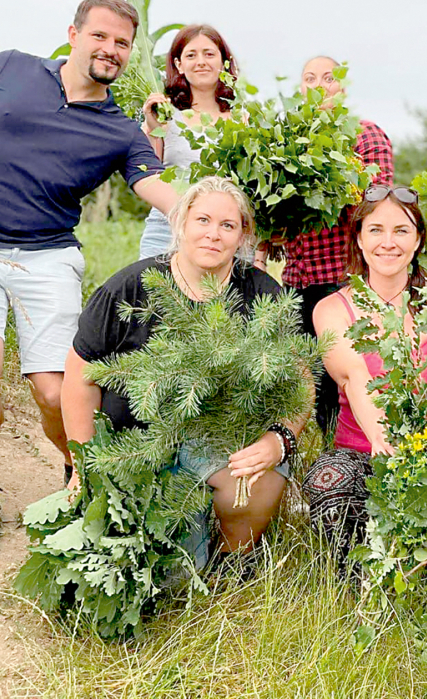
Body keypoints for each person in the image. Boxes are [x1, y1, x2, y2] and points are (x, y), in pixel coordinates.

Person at [0, 0, 179, 544]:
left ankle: (80, 476)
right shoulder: (11, 67)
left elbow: (155, 187)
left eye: (122, 43)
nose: (111, 50)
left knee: (57, 392)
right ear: (73, 35)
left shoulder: (121, 130)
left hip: (47, 257)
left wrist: (208, 215)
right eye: (100, 36)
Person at [63, 177, 308, 567]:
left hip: (221, 439)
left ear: (243, 235)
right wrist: (82, 464)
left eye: (227, 225)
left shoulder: (262, 294)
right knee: (169, 575)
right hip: (137, 442)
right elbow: (80, 375)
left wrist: (279, 440)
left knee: (257, 482)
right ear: (181, 223)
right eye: (203, 220)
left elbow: (300, 383)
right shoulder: (129, 288)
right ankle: (184, 548)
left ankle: (233, 561)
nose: (213, 234)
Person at [301, 185, 427, 571]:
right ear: (358, 239)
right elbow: (354, 374)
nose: (388, 242)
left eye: (401, 230)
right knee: (327, 481)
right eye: (375, 230)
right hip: (362, 452)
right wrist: (381, 439)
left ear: (418, 239)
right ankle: (360, 571)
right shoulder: (332, 308)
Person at [279, 55, 395, 433]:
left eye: (328, 77)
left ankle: (356, 449)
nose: (319, 84)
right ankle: (310, 453)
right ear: (300, 90)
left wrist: (332, 184)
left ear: (341, 87)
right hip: (299, 283)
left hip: (345, 279)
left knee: (348, 375)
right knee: (304, 379)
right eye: (309, 77)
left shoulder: (366, 135)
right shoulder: (287, 143)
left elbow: (376, 206)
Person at [138, 24, 237, 259]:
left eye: (209, 54)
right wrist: (152, 129)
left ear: (224, 62)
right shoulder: (163, 115)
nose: (200, 61)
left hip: (221, 237)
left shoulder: (242, 119)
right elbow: (146, 175)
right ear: (179, 65)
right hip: (167, 232)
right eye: (191, 55)